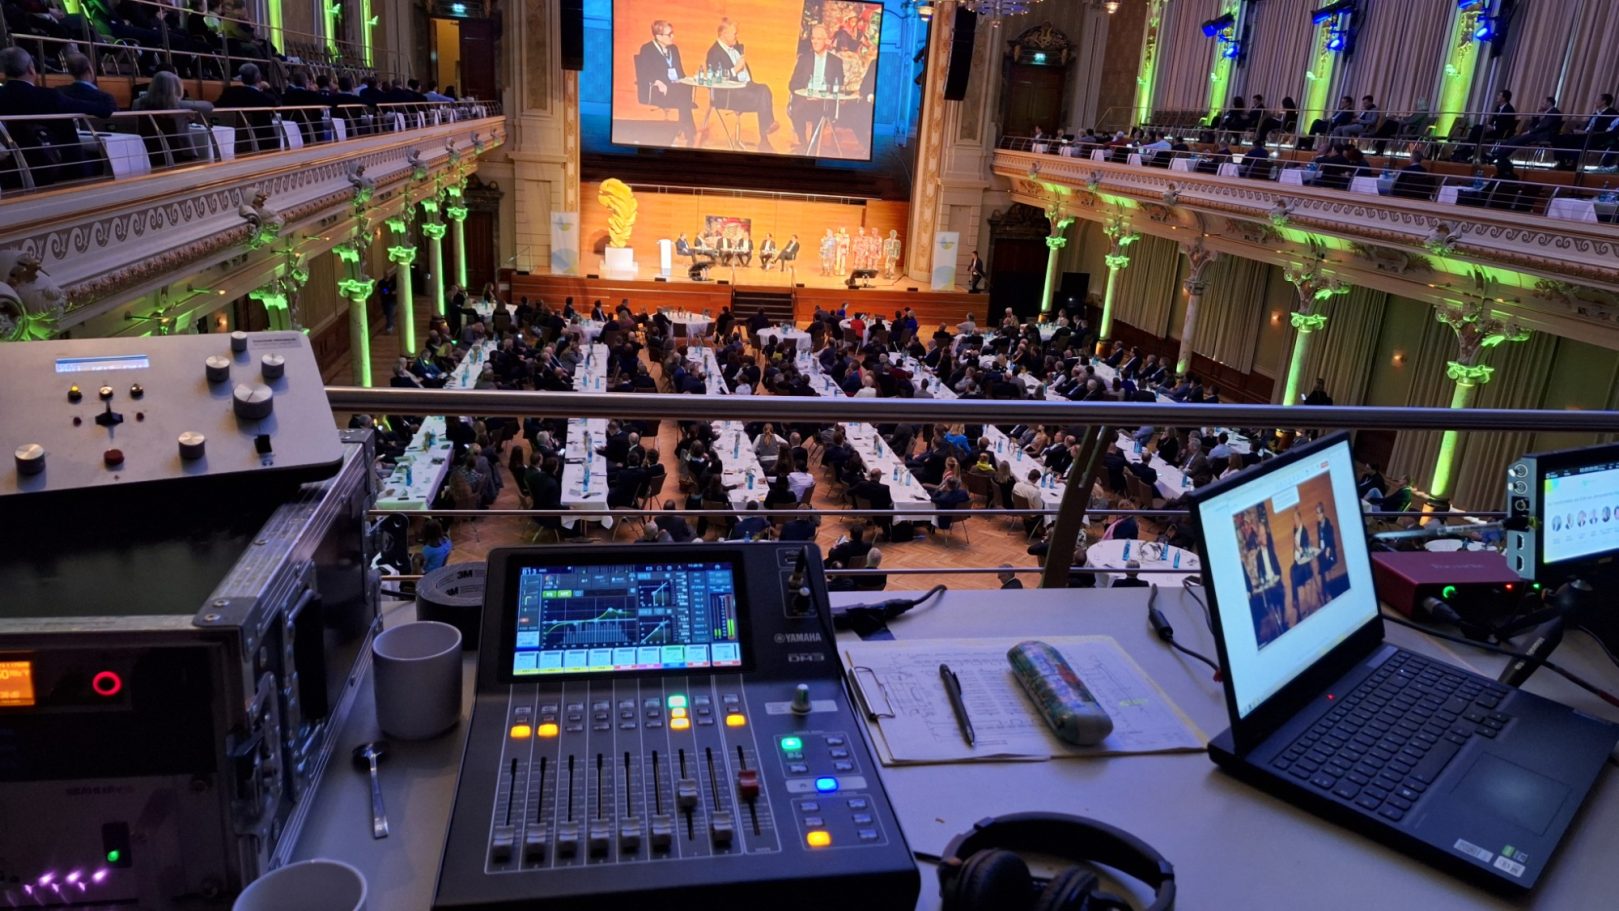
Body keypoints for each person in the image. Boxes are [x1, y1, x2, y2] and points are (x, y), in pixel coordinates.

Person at [0, 47, 115, 185]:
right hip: (63, 171)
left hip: (14, 171)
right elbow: (104, 110)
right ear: (31, 69)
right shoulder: (49, 97)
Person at [705, 18, 780, 151]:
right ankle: (766, 134)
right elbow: (715, 79)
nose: (736, 36)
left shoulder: (735, 47)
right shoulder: (714, 52)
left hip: (744, 87)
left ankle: (765, 137)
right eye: (734, 33)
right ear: (724, 34)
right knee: (762, 97)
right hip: (728, 94)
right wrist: (735, 70)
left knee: (764, 90)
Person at [633, 19, 696, 144]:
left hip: (675, 89)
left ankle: (686, 130)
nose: (673, 36)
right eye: (669, 34)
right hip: (658, 90)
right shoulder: (647, 49)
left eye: (672, 33)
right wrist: (657, 81)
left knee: (685, 91)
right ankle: (689, 131)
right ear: (659, 36)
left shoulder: (674, 49)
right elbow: (645, 74)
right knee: (684, 99)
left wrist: (689, 79)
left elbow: (680, 73)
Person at [788, 23, 845, 147]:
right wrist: (805, 93)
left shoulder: (836, 62)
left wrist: (824, 94)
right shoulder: (804, 59)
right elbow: (792, 84)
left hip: (824, 101)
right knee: (795, 110)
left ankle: (812, 147)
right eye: (813, 38)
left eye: (818, 39)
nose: (815, 41)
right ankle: (803, 142)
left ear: (826, 41)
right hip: (805, 100)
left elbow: (839, 86)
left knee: (821, 114)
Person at [1552, 93, 1619, 171]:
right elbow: (1587, 126)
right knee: (1559, 138)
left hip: (1596, 136)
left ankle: (1574, 165)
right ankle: (1562, 162)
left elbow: (1607, 130)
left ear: (1604, 101)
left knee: (1580, 143)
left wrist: (1588, 132)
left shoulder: (1611, 113)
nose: (1595, 101)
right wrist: (1581, 131)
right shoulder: (1595, 113)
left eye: (1597, 99)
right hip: (1584, 134)